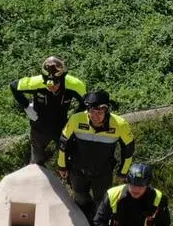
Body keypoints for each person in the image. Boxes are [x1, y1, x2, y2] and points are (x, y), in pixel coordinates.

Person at [57, 90, 135, 218]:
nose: (95, 116)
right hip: (78, 170)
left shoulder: (120, 124)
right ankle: (84, 220)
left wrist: (123, 171)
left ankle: (98, 224)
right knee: (80, 198)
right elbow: (63, 143)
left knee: (102, 202)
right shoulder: (76, 119)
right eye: (92, 112)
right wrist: (62, 165)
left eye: (99, 112)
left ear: (106, 111)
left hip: (103, 173)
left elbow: (129, 149)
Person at [10, 56, 86, 165]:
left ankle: (65, 170)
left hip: (62, 125)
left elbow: (85, 102)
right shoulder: (36, 82)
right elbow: (14, 86)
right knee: (37, 157)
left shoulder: (74, 85)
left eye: (56, 83)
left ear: (63, 78)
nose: (51, 87)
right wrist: (26, 106)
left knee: (70, 154)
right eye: (47, 83)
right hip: (39, 124)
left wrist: (74, 118)